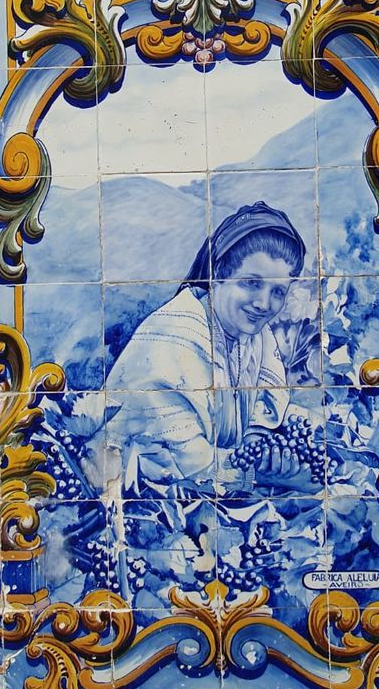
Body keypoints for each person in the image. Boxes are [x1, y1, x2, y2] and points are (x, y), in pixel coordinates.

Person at [103, 201, 306, 497]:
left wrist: (264, 449)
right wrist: (270, 475)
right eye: (251, 283)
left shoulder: (257, 337)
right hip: (137, 497)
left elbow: (262, 417)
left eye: (278, 292)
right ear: (219, 273)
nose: (264, 304)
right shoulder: (175, 336)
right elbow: (186, 465)